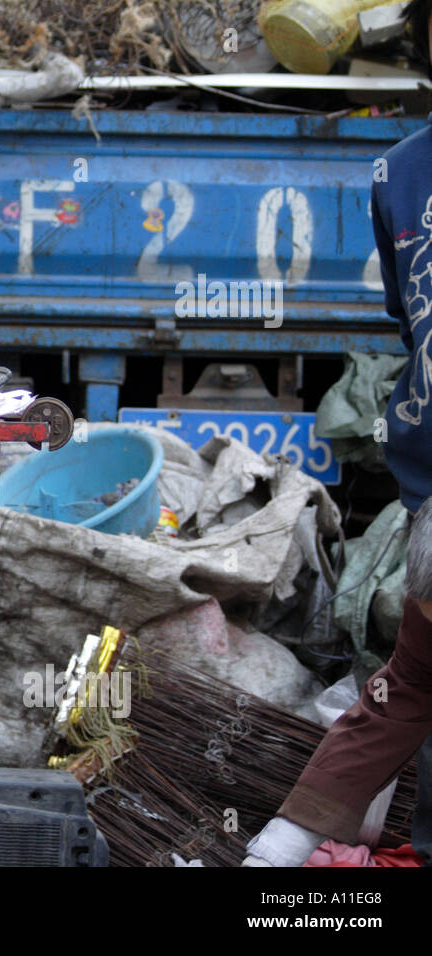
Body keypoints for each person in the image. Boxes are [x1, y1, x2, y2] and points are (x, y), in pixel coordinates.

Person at [243, 0, 432, 867]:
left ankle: (278, 858)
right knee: (411, 692)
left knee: (407, 694)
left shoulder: (401, 174)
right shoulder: (399, 175)